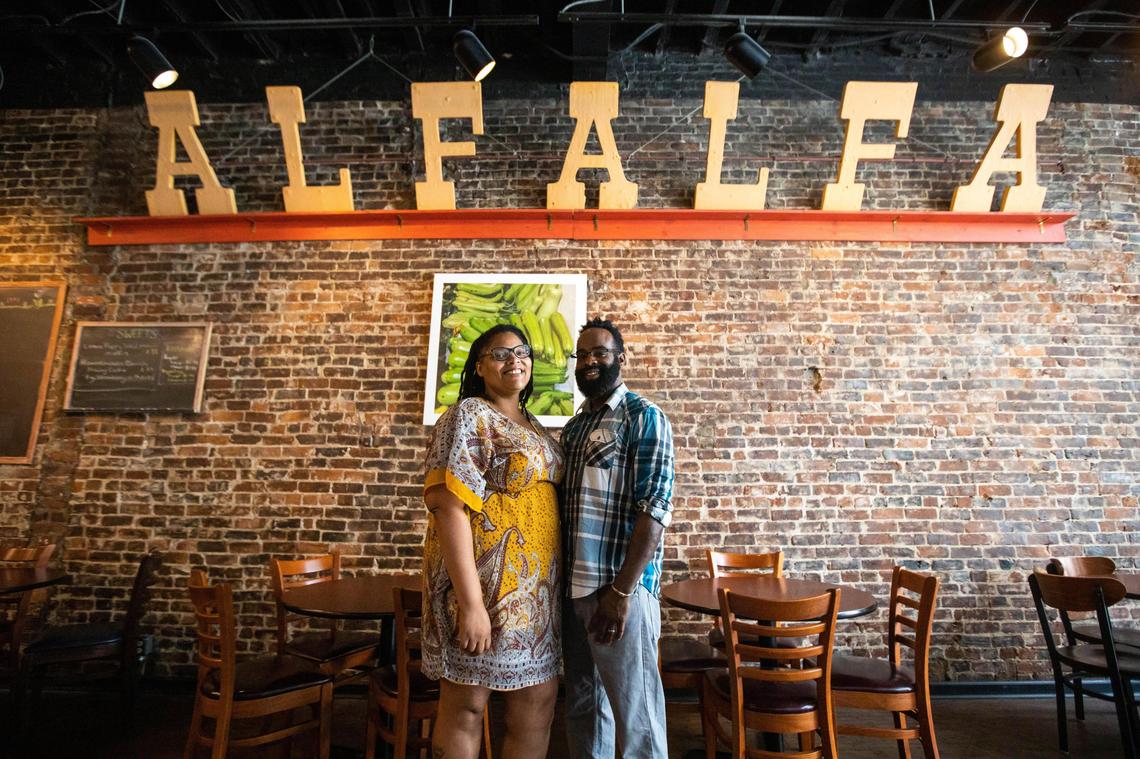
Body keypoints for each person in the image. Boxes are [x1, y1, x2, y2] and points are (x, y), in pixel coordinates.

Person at [421, 324, 564, 759]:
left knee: (536, 708)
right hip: (483, 589)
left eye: (522, 352)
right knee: (467, 707)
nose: (514, 360)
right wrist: (471, 605)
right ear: (480, 366)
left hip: (535, 598)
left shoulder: (535, 425)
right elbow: (449, 507)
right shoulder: (469, 414)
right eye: (500, 353)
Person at [559, 318, 675, 759]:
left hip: (617, 591)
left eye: (600, 353)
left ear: (620, 358)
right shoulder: (575, 427)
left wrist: (622, 591)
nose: (589, 361)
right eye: (583, 354)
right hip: (574, 591)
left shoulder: (644, 417)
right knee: (585, 708)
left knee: (637, 716)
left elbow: (655, 512)